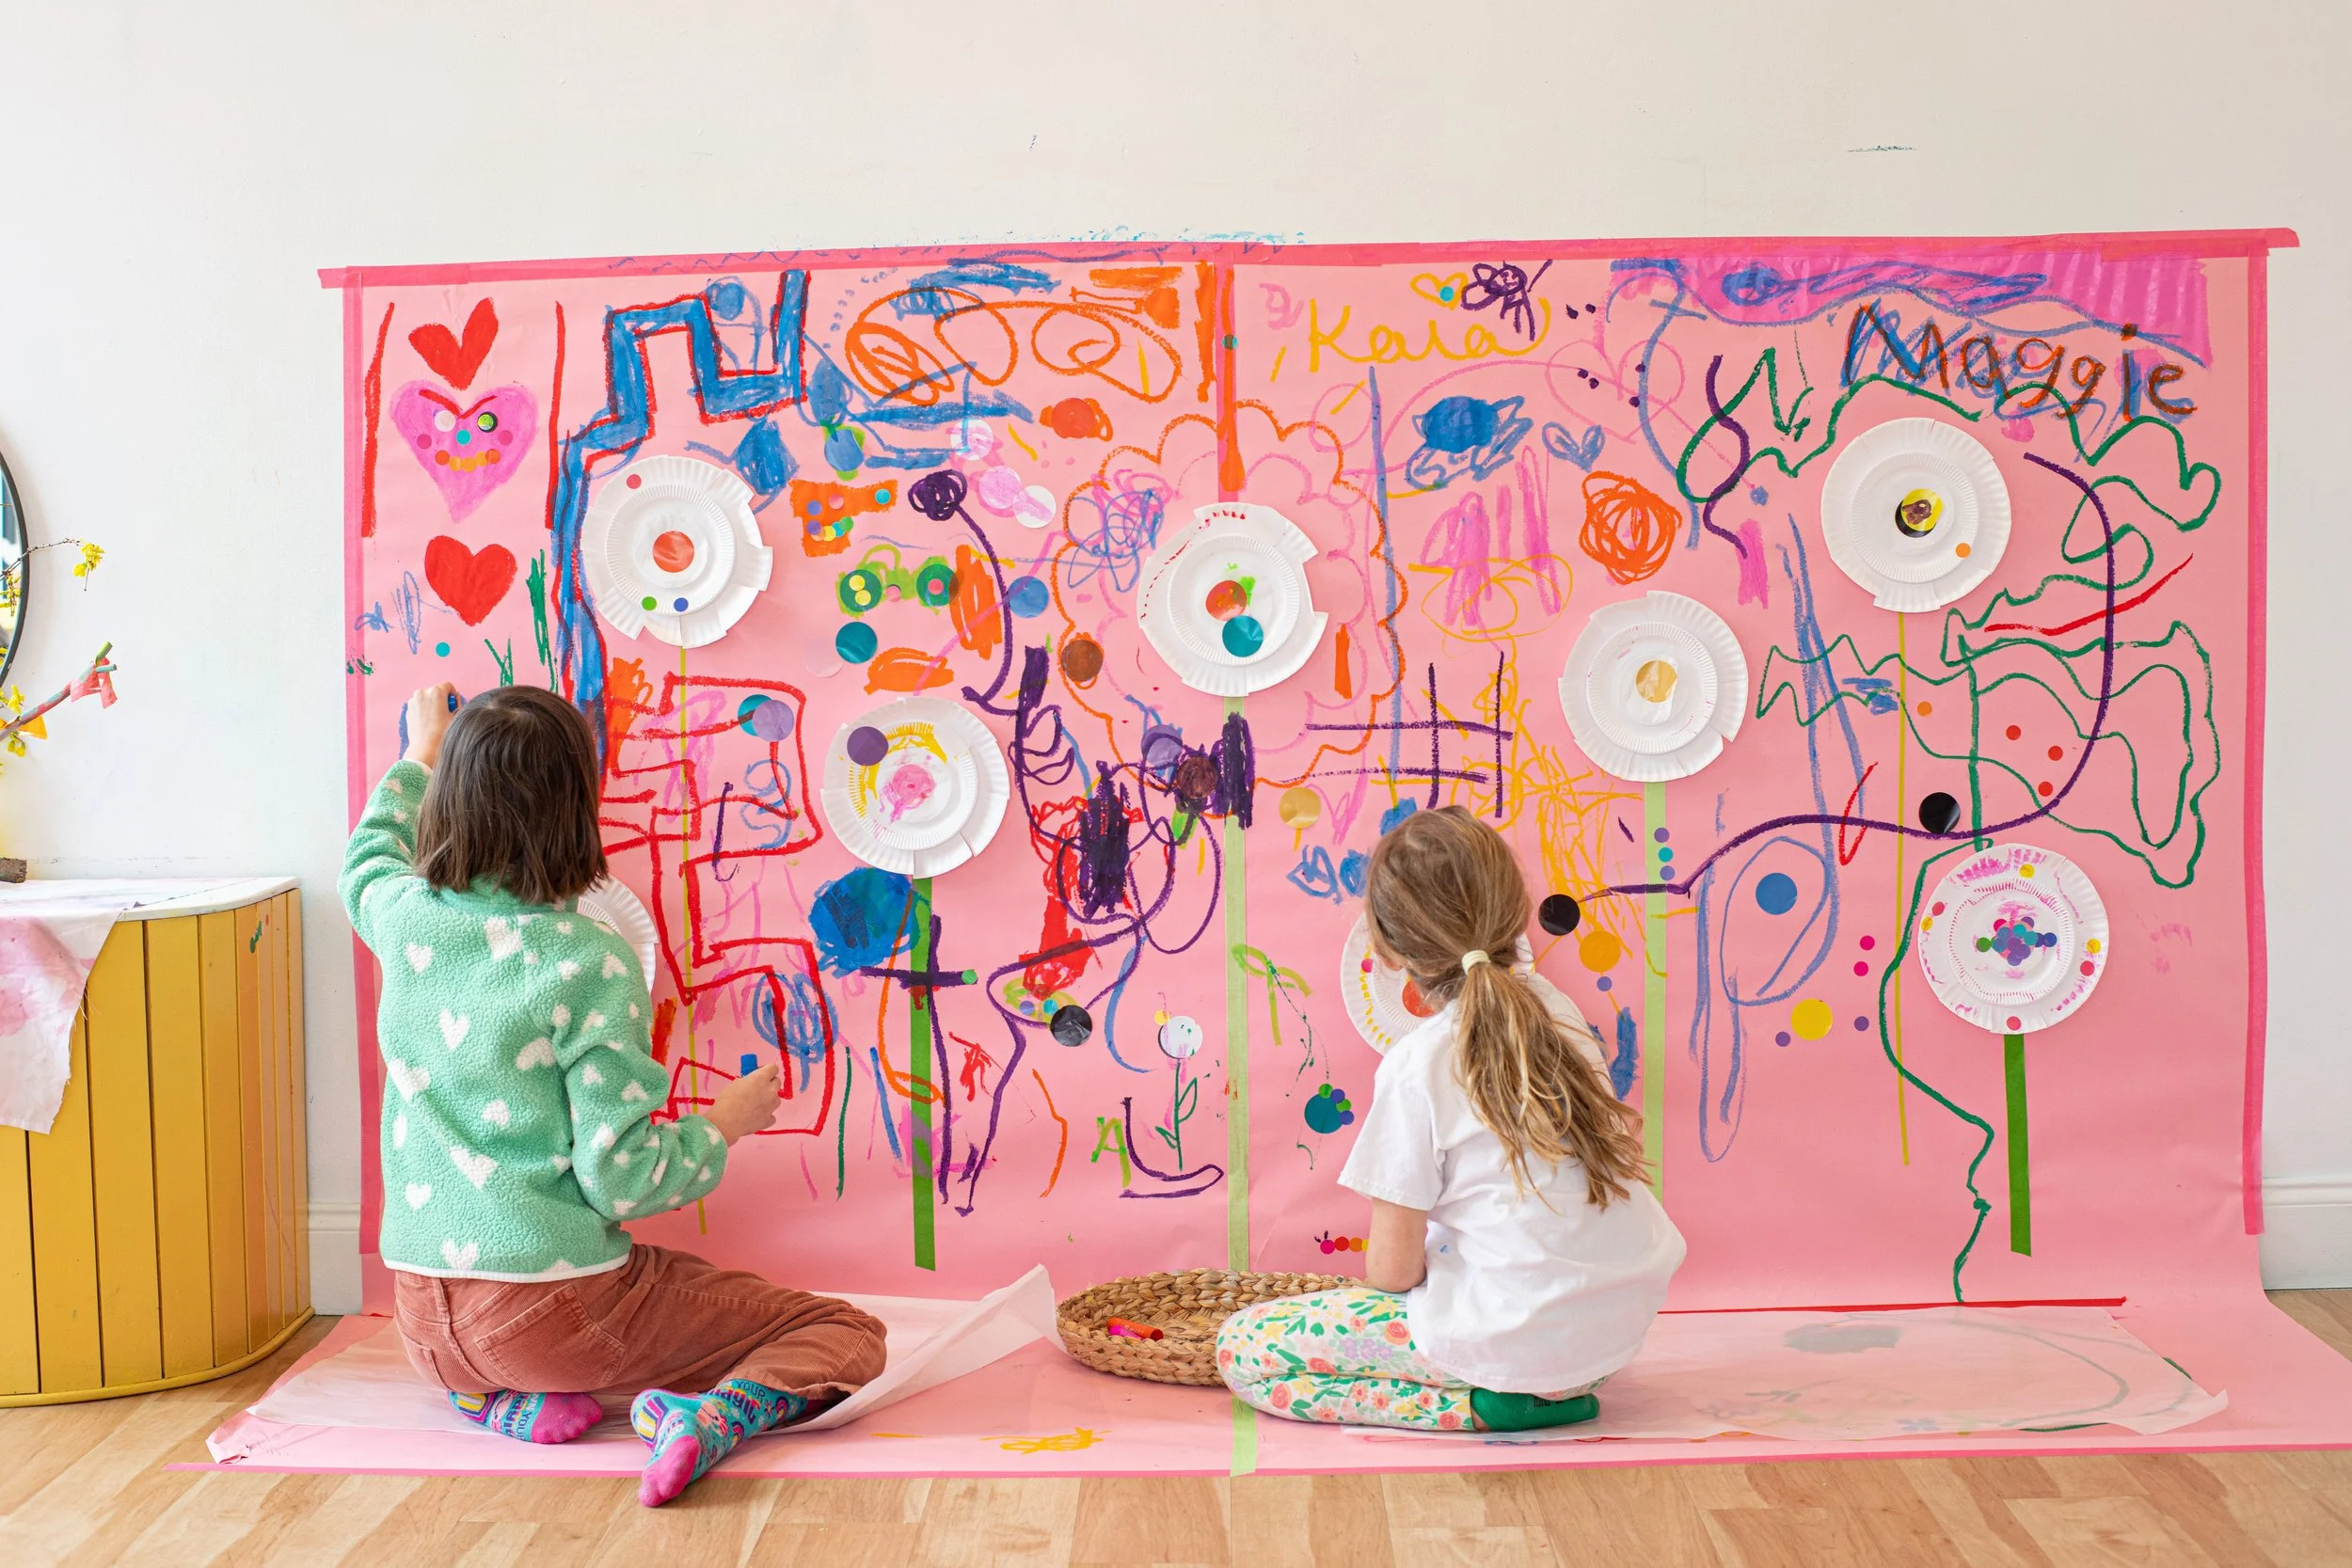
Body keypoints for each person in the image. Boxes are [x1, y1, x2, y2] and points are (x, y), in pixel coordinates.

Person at [341, 682, 886, 1506]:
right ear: (573, 811)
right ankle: (711, 1416)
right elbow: (621, 1178)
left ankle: (503, 1403)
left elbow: (368, 859)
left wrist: (419, 752)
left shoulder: (405, 915)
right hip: (553, 1314)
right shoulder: (588, 961)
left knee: (634, 1298)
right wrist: (725, 1123)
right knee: (848, 1332)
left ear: (449, 799)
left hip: (424, 1324)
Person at [1217, 804, 1685, 1432]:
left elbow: (1391, 1272)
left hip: (1512, 1345)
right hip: (1610, 1335)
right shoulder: (1560, 1012)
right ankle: (1547, 1388)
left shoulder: (1417, 1064)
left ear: (1383, 947)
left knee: (1241, 1347)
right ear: (1514, 914)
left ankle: (1480, 1404)